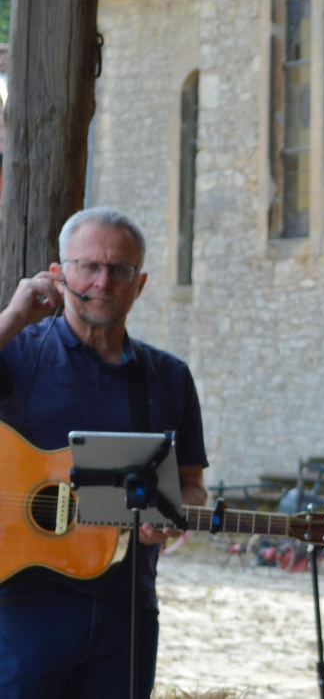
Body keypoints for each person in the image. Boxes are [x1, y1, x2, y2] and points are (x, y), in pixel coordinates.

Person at [0, 207, 208, 699]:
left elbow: (192, 483)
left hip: (125, 611)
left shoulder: (169, 378)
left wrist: (179, 512)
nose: (102, 281)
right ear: (58, 274)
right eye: (87, 266)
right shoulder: (17, 352)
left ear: (140, 285)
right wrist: (12, 316)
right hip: (22, 609)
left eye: (120, 270)